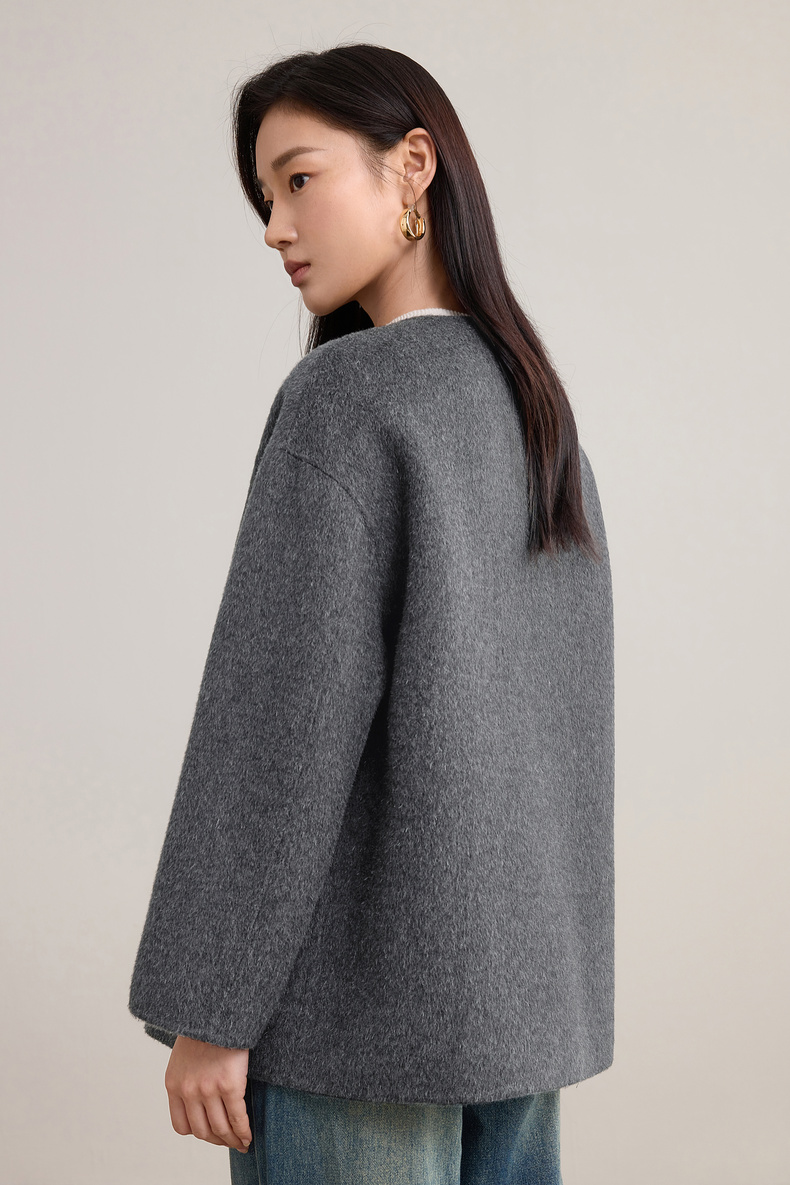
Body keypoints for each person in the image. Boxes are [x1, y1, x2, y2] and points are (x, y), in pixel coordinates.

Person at [128, 42, 615, 1185]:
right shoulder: (533, 409)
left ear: (413, 166)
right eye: (264, 198)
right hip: (515, 1017)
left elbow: (278, 722)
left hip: (355, 1027)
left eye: (299, 179)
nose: (274, 227)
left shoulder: (346, 400)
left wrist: (210, 1005)